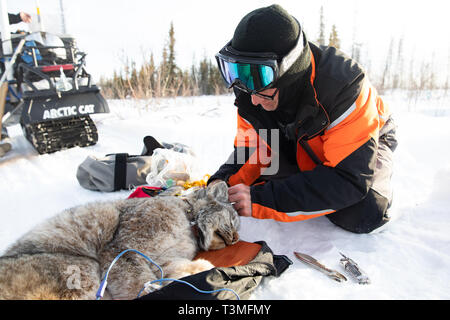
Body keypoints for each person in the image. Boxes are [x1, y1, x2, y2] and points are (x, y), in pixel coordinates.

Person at [208, 4, 398, 234]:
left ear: (289, 70)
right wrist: (223, 182)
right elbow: (252, 148)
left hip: (366, 137)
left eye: (259, 75)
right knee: (262, 180)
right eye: (236, 72)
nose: (253, 99)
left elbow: (348, 179)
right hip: (298, 138)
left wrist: (260, 200)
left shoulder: (344, 86)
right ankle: (307, 176)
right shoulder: (253, 93)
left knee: (364, 211)